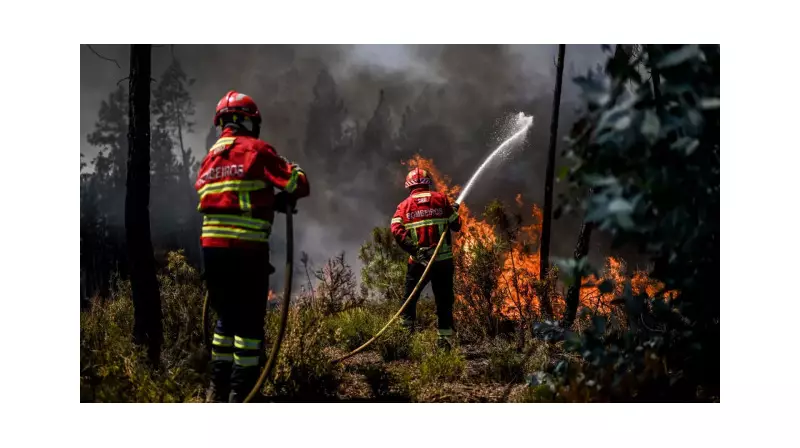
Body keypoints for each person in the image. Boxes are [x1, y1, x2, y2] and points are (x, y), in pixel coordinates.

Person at [196, 90, 310, 402]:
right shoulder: (256, 150)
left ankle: (215, 391)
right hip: (245, 252)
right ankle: (241, 394)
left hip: (212, 252)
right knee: (248, 325)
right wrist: (291, 169)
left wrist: (268, 202)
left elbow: (232, 198)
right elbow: (298, 184)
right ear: (249, 121)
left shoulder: (209, 159)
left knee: (225, 320)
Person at [390, 168, 461, 350]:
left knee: (409, 300)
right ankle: (444, 342)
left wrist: (414, 250)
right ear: (428, 183)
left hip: (418, 263)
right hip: (443, 262)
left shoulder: (404, 206)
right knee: (444, 301)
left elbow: (396, 231)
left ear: (409, 186)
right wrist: (452, 212)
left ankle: (404, 341)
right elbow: (456, 225)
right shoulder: (441, 199)